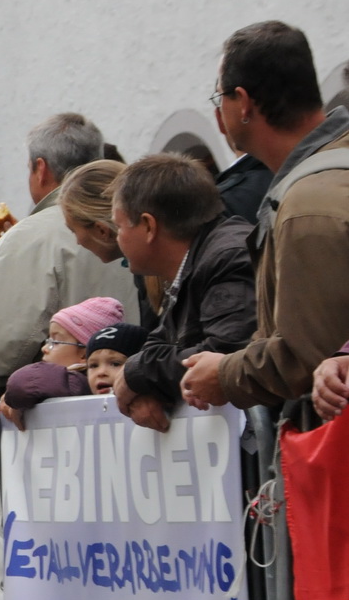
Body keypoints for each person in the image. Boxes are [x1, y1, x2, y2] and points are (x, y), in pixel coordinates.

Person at [180, 20, 349, 415]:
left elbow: (306, 356)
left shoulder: (307, 205)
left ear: (242, 103)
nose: (217, 109)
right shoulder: (324, 177)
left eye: (218, 97)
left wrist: (224, 373)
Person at [0, 113, 141, 408]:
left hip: (50, 415)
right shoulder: (135, 227)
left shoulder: (34, 236)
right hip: (136, 402)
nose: (78, 239)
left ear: (40, 168)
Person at [107, 154, 257, 431]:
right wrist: (146, 386)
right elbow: (159, 345)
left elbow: (224, 356)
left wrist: (138, 373)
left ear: (149, 226)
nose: (118, 239)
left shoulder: (226, 257)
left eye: (119, 226)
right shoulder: (198, 259)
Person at [0, 298, 126, 430]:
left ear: (84, 355)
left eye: (56, 342)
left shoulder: (76, 381)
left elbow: (22, 385)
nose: (44, 348)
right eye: (49, 340)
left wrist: (12, 398)